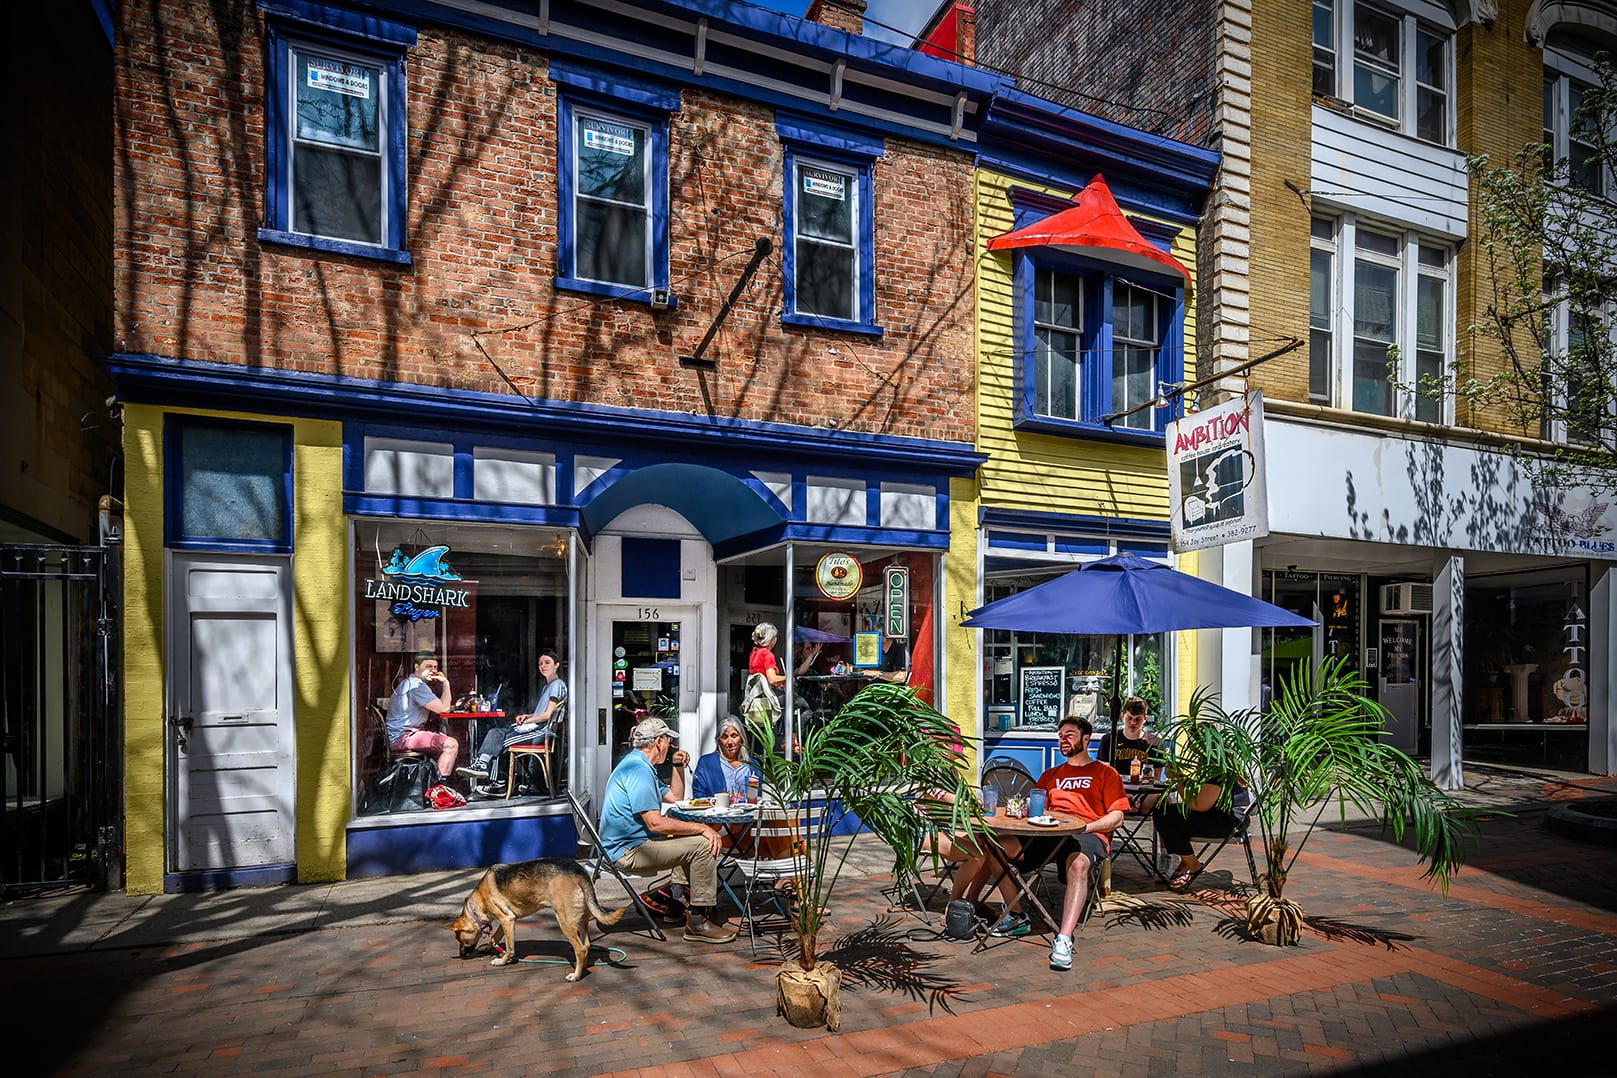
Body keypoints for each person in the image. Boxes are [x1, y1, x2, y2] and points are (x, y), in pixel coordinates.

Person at [958, 715, 1128, 970]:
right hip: (1048, 834)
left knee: (1079, 867)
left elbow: (1117, 817)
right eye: (1060, 736)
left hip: (1087, 833)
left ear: (1085, 738)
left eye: (1069, 735)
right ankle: (1016, 916)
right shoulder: (1050, 775)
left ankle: (1064, 939)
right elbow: (1036, 811)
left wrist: (1086, 826)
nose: (1063, 740)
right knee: (994, 845)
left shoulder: (1105, 772)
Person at [598, 716, 738, 944]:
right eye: (668, 741)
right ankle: (698, 921)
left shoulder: (641, 765)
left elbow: (674, 797)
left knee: (688, 836)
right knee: (703, 845)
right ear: (658, 742)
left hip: (630, 844)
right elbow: (655, 823)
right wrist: (702, 828)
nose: (670, 746)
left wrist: (677, 766)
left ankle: (674, 905)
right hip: (629, 851)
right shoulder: (638, 771)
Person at [459, 649, 566, 796]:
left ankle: (497, 783)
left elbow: (547, 715)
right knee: (495, 732)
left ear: (557, 665)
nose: (543, 666)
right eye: (540, 663)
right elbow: (541, 713)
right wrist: (527, 716)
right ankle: (483, 765)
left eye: (547, 663)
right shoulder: (547, 687)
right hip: (533, 727)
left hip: (541, 731)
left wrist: (528, 719)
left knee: (500, 742)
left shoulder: (557, 685)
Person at [1152, 775, 1241, 889]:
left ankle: (1192, 865)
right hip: (1224, 817)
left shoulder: (1217, 771)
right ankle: (1186, 861)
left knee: (1164, 815)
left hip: (1226, 822)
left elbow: (1198, 805)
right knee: (1166, 812)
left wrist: (1178, 782)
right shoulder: (1216, 768)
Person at [384, 650, 459, 784]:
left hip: (401, 734)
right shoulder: (417, 686)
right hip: (404, 736)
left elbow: (437, 706)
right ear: (417, 667)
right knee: (451, 744)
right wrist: (446, 683)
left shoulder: (411, 682)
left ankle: (432, 784)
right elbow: (444, 708)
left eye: (435, 667)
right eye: (428, 666)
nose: (433, 671)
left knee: (442, 738)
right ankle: (439, 789)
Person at [1098, 696, 1164, 812]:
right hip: (1116, 791)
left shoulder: (1155, 744)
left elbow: (1156, 779)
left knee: (1161, 797)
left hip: (1144, 793)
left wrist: (1138, 797)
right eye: (1129, 718)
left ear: (1145, 718)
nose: (1133, 723)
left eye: (1137, 719)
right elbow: (1104, 773)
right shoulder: (1109, 740)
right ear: (1122, 716)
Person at [691, 714, 761, 801]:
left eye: (734, 736)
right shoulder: (706, 763)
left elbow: (758, 798)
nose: (730, 742)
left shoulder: (753, 766)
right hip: (715, 813)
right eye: (725, 737)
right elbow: (699, 797)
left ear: (742, 738)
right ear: (719, 740)